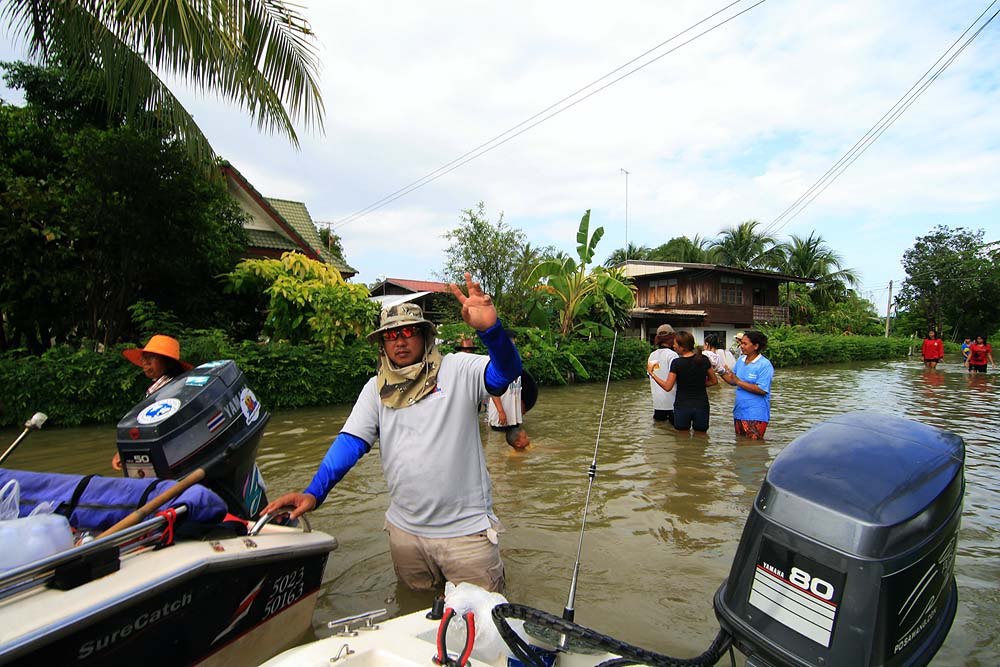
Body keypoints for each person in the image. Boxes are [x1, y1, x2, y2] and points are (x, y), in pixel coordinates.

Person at [261, 273, 521, 593]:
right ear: (382, 343)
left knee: (483, 628)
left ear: (425, 336)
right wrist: (314, 492)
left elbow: (505, 373)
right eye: (391, 335)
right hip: (405, 535)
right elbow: (351, 443)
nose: (400, 341)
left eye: (409, 332)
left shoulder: (457, 370)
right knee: (412, 620)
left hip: (466, 535)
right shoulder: (376, 389)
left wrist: (491, 331)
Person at [113, 334, 193, 470]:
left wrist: (124, 451)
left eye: (150, 358)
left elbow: (146, 425)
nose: (145, 362)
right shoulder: (180, 384)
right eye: (144, 358)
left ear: (167, 362)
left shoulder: (162, 391)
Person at [647, 330, 717, 432]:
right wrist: (699, 385)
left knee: (682, 440)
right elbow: (714, 381)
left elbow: (667, 387)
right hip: (701, 405)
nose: (674, 346)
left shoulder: (677, 363)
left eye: (675, 344)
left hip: (683, 406)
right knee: (701, 438)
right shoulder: (704, 359)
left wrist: (652, 374)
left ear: (682, 347)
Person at [719, 330, 774, 440]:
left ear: (756, 346)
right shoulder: (740, 360)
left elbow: (762, 389)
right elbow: (732, 381)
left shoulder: (764, 365)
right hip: (739, 412)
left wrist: (739, 382)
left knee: (753, 448)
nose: (741, 346)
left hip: (756, 414)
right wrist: (720, 371)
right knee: (740, 446)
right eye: (741, 343)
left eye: (745, 344)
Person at [647, 324, 678, 422]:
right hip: (672, 404)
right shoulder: (672, 355)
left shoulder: (652, 355)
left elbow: (650, 375)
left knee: (660, 431)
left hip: (658, 404)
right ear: (672, 338)